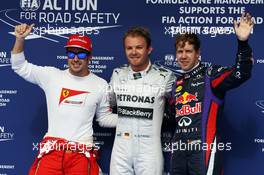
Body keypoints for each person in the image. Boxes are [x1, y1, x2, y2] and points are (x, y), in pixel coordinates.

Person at [11, 24, 118, 175]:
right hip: (52, 151)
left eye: (81, 54)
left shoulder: (100, 84)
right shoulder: (52, 76)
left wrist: (132, 119)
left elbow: (104, 118)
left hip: (81, 154)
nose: (75, 59)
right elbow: (19, 66)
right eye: (71, 54)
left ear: (90, 56)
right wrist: (20, 39)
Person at [169, 13, 254, 175]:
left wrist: (243, 43)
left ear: (198, 53)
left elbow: (240, 73)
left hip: (204, 149)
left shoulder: (210, 75)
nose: (183, 56)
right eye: (180, 51)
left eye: (188, 51)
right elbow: (170, 116)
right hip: (178, 150)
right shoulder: (176, 84)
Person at [109, 27, 175, 175]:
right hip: (120, 149)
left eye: (139, 47)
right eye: (129, 48)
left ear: (149, 49)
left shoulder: (165, 77)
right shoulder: (117, 74)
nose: (133, 52)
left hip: (149, 150)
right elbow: (108, 104)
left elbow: (179, 106)